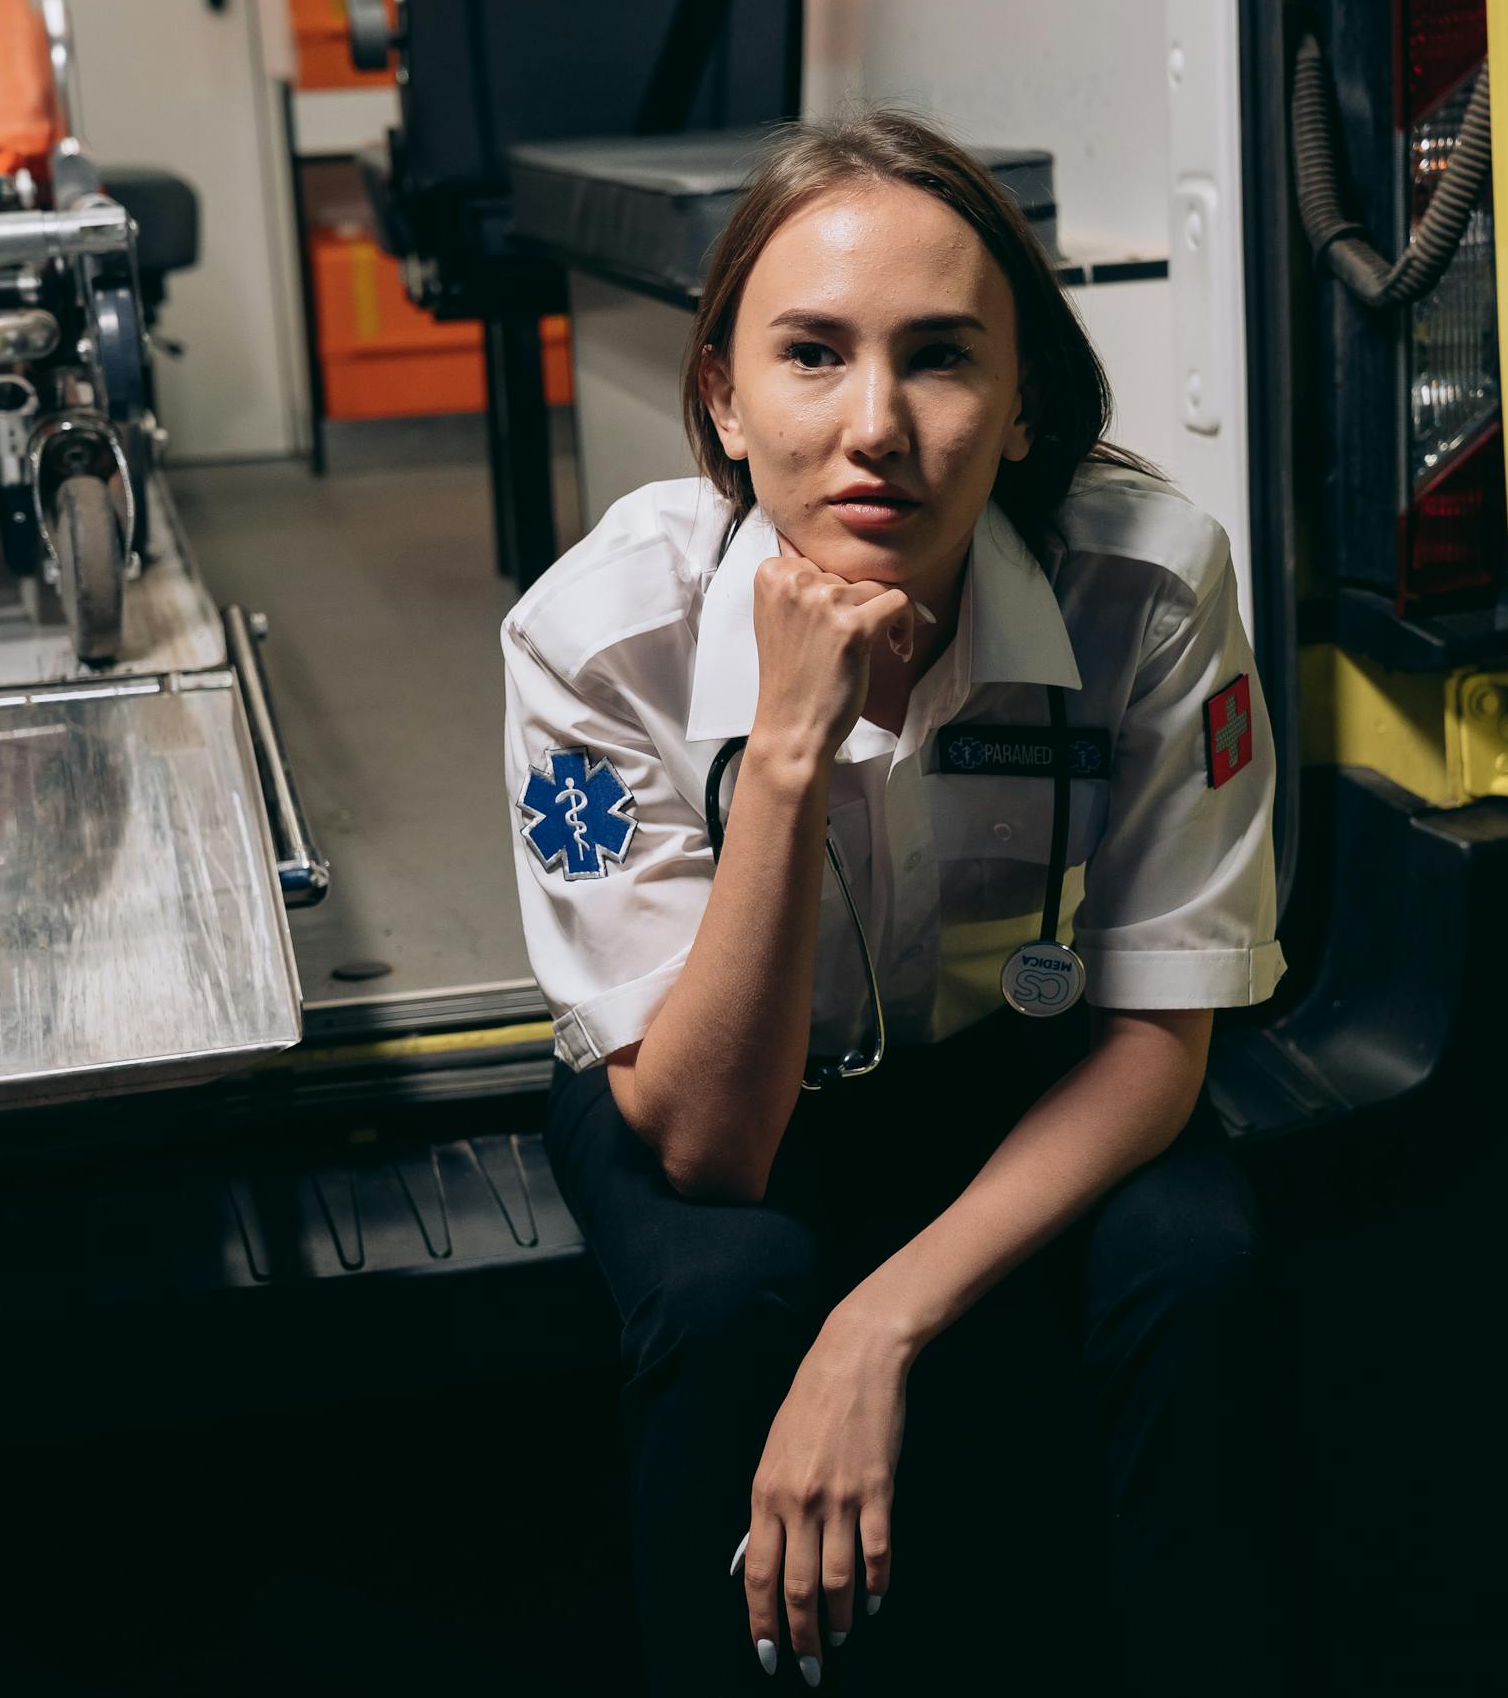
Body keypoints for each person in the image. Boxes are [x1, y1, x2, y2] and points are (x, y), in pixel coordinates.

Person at [502, 109, 1290, 1695]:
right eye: (811, 356)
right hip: (711, 1083)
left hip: (1008, 1053)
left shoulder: (1144, 590)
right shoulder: (598, 643)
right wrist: (786, 752)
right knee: (727, 1296)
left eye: (940, 359)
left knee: (1196, 1257)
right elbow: (709, 1142)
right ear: (721, 397)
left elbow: (1157, 1044)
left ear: (1018, 411)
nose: (876, 425)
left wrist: (880, 1329)